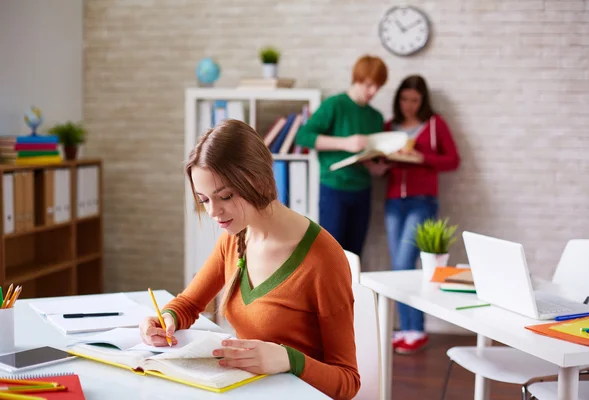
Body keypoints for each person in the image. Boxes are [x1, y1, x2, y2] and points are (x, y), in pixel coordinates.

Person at [139, 119, 360, 400]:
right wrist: (165, 319)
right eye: (204, 200)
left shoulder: (324, 260)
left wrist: (288, 359)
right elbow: (189, 304)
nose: (213, 212)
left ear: (257, 179)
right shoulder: (234, 238)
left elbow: (347, 382)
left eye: (225, 196)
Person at [383, 75, 460, 354]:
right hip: (393, 201)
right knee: (398, 267)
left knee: (404, 262)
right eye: (404, 99)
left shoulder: (435, 124)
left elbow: (452, 160)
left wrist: (421, 159)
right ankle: (407, 328)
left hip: (422, 202)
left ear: (423, 100)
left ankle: (416, 329)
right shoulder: (389, 126)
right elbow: (383, 161)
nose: (409, 105)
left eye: (415, 100)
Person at [295, 55, 388, 257]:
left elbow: (366, 155)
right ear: (357, 78)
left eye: (377, 87)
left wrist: (373, 167)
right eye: (369, 85)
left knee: (354, 255)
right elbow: (303, 136)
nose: (373, 92)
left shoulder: (375, 116)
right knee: (331, 253)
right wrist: (345, 143)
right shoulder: (335, 105)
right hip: (334, 189)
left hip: (363, 190)